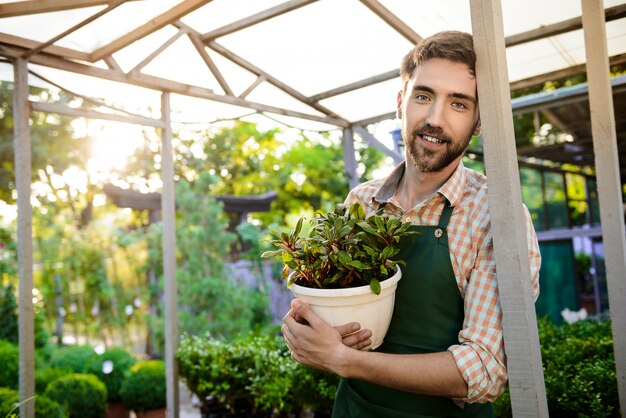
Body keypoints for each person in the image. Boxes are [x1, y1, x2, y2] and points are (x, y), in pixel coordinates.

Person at [281, 30, 541, 417]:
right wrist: (306, 327)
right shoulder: (361, 203)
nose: (435, 119)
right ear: (401, 102)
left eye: (458, 103)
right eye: (424, 96)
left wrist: (346, 362)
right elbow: (330, 320)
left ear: (479, 120)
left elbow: (485, 371)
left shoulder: (495, 214)